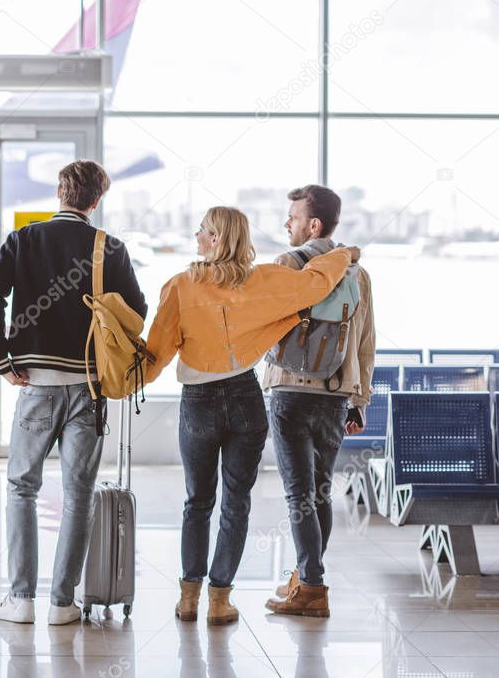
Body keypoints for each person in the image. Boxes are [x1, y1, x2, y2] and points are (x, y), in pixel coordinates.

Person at [143, 206, 359, 625]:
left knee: (197, 501)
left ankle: (189, 597)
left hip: (198, 401)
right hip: (245, 398)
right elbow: (315, 284)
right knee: (235, 502)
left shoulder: (180, 286)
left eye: (203, 230)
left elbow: (156, 354)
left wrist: (118, 382)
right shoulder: (263, 281)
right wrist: (344, 254)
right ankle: (220, 601)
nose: (196, 235)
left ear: (217, 239)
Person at [0, 160, 146, 625]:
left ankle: (20, 599)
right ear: (95, 201)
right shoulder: (108, 247)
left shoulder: (24, 240)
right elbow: (137, 310)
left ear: (59, 192)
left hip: (35, 385)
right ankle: (62, 604)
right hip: (90, 389)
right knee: (79, 493)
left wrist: (3, 359)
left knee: (22, 488)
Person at [263, 185, 376, 618]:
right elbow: (365, 343)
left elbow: (266, 326)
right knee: (320, 493)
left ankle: (311, 586)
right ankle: (306, 576)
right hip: (333, 395)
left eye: (292, 216)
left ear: (313, 224)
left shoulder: (286, 265)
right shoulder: (357, 273)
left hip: (289, 391)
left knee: (298, 495)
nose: (286, 223)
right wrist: (358, 399)